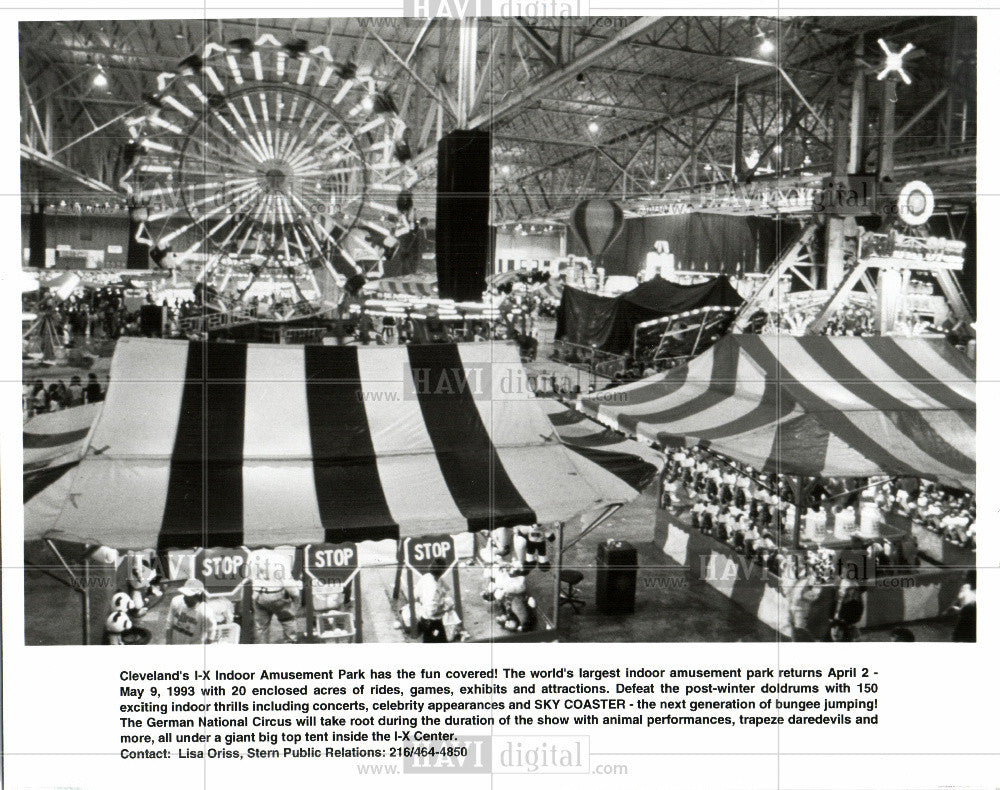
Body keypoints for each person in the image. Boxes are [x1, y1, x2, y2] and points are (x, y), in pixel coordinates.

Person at [248, 548, 300, 643]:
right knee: (288, 621)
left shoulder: (252, 555)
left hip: (258, 595)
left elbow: (249, 577)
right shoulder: (279, 558)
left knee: (261, 628)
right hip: (277, 595)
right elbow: (288, 583)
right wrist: (295, 595)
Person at [413, 558, 454, 643]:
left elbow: (415, 595)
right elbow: (431, 612)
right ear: (442, 571)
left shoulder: (426, 577)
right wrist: (446, 609)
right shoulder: (434, 589)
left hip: (425, 619)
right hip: (432, 622)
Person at [165, 578, 212, 645]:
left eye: (189, 596)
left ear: (198, 596)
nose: (184, 598)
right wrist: (168, 642)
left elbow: (211, 633)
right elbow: (169, 623)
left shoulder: (206, 612)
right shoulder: (176, 601)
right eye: (184, 594)